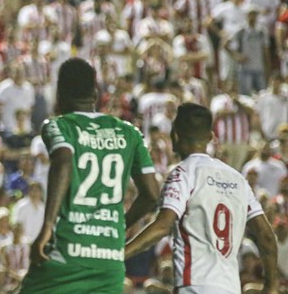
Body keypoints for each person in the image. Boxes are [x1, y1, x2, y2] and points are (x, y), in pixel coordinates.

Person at [20, 58, 160, 293]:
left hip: (66, 251)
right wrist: (119, 224)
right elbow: (152, 195)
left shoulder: (58, 126)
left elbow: (63, 160)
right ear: (95, 94)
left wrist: (47, 226)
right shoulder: (129, 132)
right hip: (108, 257)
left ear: (59, 95)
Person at [125, 103, 280, 294]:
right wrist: (271, 285)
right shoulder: (238, 179)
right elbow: (266, 235)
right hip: (230, 288)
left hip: (195, 286)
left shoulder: (183, 173)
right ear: (210, 138)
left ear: (175, 136)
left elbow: (163, 226)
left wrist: (120, 253)